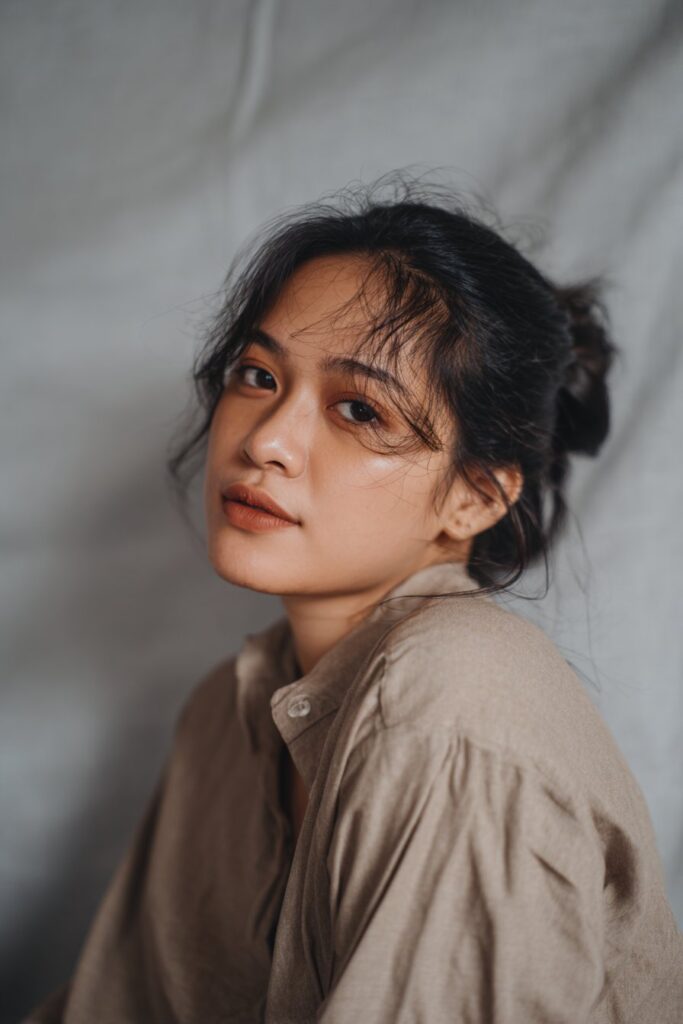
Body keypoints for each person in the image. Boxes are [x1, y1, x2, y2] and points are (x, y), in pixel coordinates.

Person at [26, 174, 683, 1023]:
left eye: (360, 411)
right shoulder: (223, 717)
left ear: (475, 497)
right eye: (256, 374)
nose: (266, 441)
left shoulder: (456, 701)